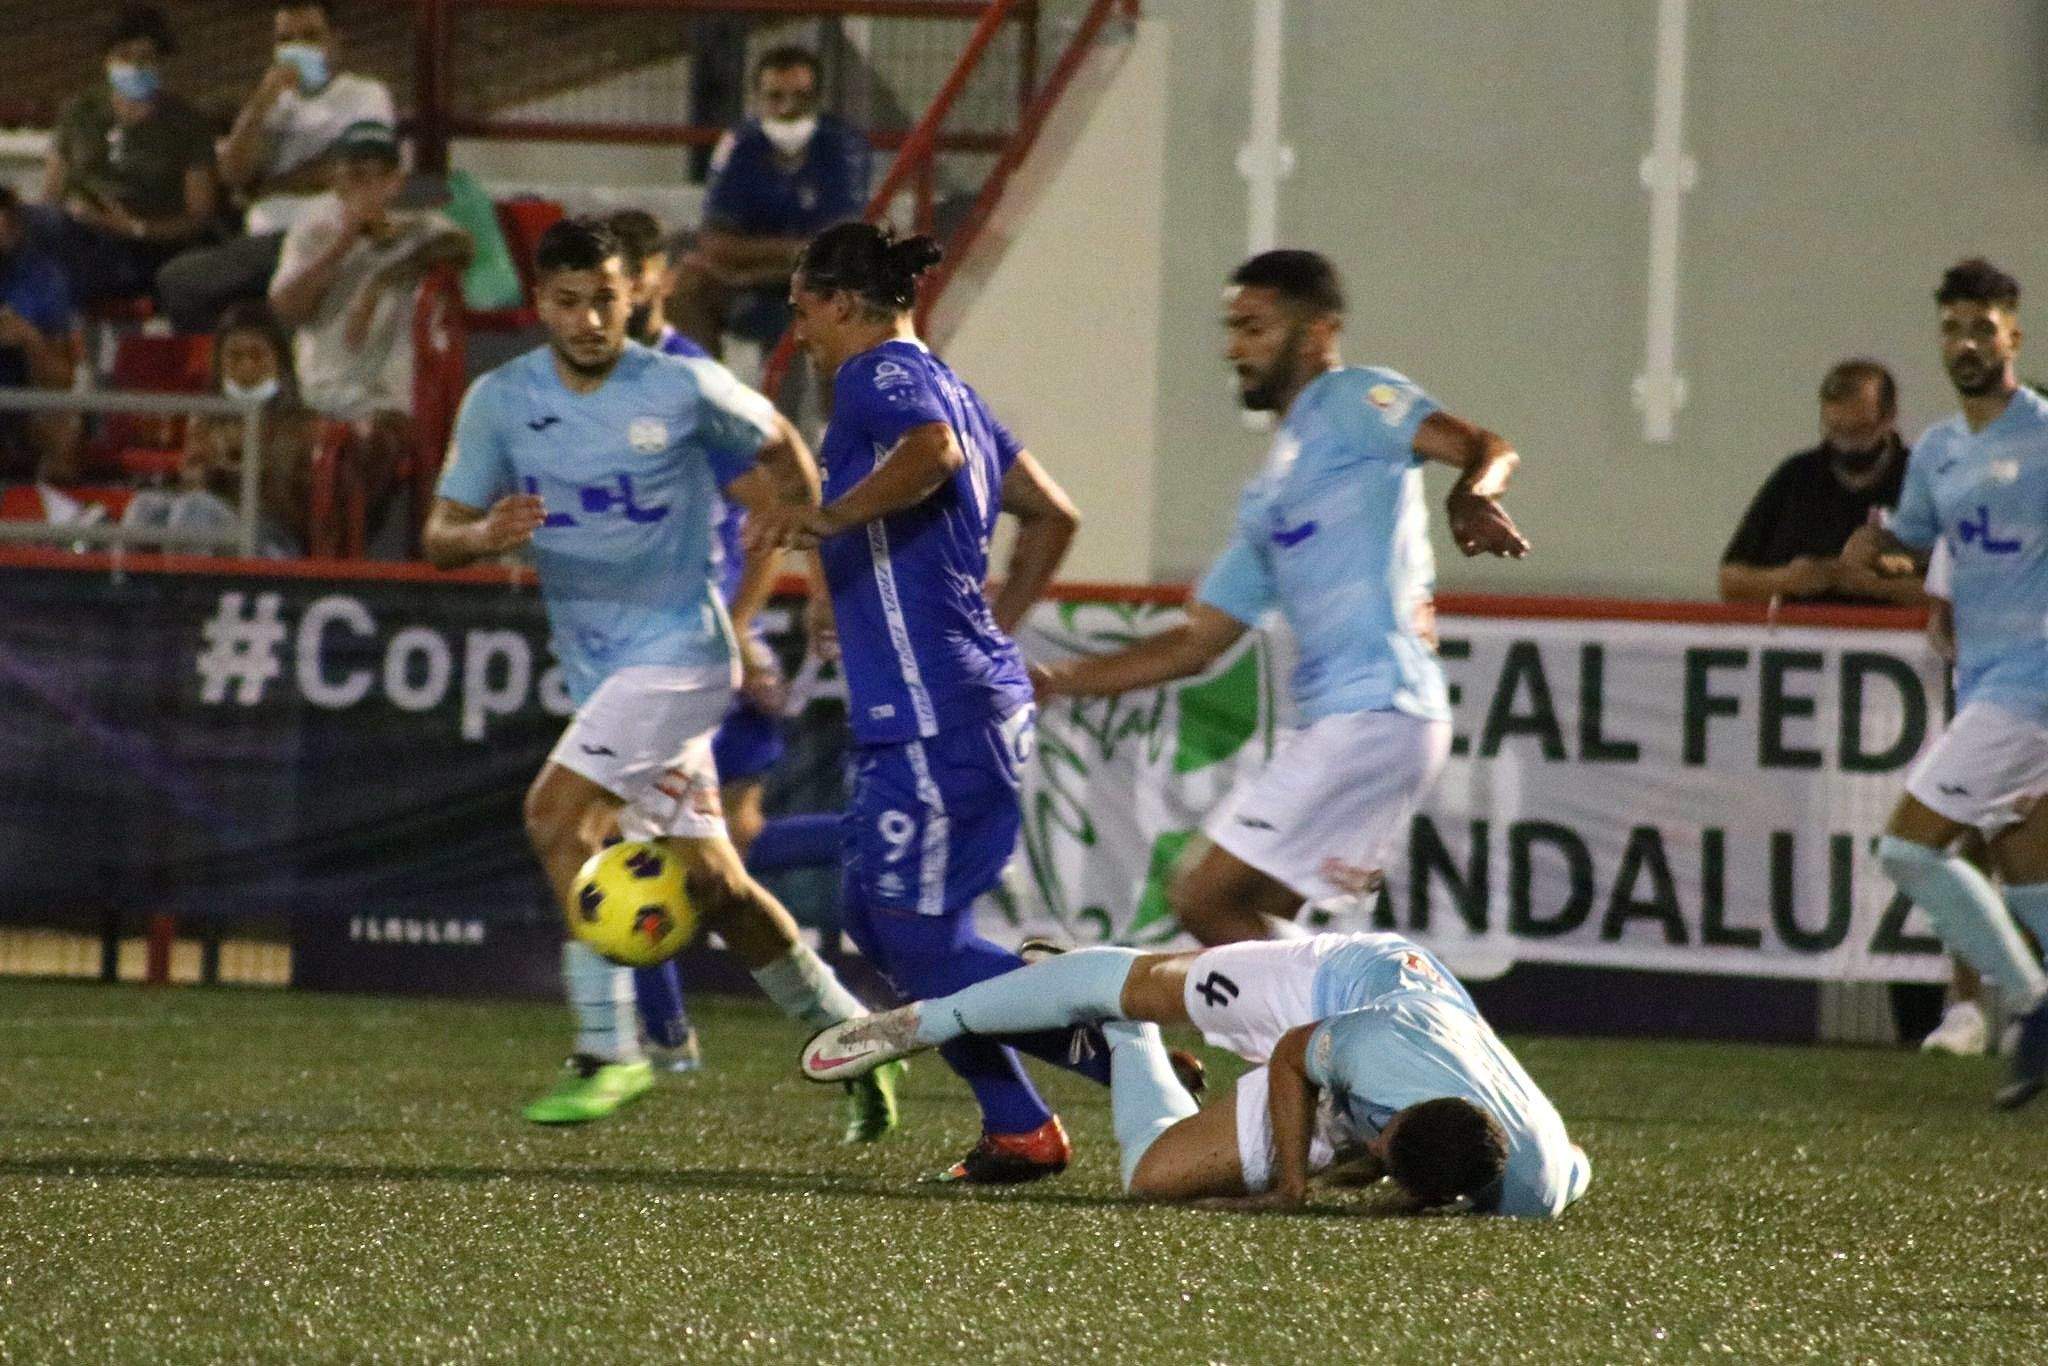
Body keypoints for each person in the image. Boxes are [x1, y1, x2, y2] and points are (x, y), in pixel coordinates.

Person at [422, 217, 899, 1138]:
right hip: (603, 674)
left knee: (557, 818)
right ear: (541, 305)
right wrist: (480, 538)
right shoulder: (501, 401)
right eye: (569, 301)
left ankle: (610, 1051)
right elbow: (441, 531)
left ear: (633, 293)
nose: (591, 318)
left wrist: (802, 530)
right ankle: (854, 1039)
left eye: (606, 298)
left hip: (683, 658)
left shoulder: (682, 386)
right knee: (715, 886)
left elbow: (779, 444)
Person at [1029, 249, 1528, 947]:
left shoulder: (1354, 401)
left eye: (1256, 328)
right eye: (1232, 329)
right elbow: (1198, 642)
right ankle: (1306, 1055)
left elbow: (1488, 447)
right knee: (1261, 924)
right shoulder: (1271, 491)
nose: (1235, 347)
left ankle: (1376, 1025)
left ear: (1319, 332)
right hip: (1370, 722)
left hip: (1372, 712)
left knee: (1204, 900)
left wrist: (1472, 495)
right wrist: (1056, 681)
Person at [750, 222, 1100, 1184]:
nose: (799, 329)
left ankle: (1122, 1051)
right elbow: (1053, 513)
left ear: (846, 304)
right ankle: (1020, 1126)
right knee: (878, 915)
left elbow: (933, 454)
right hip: (941, 701)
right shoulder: (957, 386)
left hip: (938, 713)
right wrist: (1001, 618)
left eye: (803, 308)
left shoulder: (881, 378)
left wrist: (830, 516)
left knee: (913, 935)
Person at [802, 932, 1590, 1218]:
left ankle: (1125, 1037)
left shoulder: (1535, 1184)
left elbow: (1573, 1167)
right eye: (1385, 1141)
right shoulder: (1380, 1049)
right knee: (1157, 983)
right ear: (1396, 1123)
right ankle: (935, 1018)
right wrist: (1289, 1186)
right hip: (1346, 984)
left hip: (1381, 1072)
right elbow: (1292, 1057)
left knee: (1152, 1178)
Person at [597, 206, 845, 1075]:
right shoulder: (610, 380)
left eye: (618, 283)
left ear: (652, 281)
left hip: (687, 651)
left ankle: (661, 1043)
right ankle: (880, 837)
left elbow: (773, 499)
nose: (602, 304)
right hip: (655, 644)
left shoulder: (685, 382)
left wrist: (735, 634)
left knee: (623, 843)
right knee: (719, 853)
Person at [1848, 257, 2048, 1108]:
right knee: (2029, 872)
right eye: (1952, 328)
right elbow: (1918, 545)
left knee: (1908, 846)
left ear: (2014, 334)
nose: (1965, 343)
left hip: (2034, 684)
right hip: (1985, 678)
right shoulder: (1936, 449)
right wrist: (1877, 551)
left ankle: (2034, 1003)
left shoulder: (2043, 436)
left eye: (1982, 327)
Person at [269, 120, 469, 534]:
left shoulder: (417, 226)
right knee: (285, 459)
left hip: (386, 402)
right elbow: (285, 307)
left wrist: (382, 279)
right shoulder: (314, 228)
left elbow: (461, 246)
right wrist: (343, 246)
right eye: (356, 173)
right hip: (317, 394)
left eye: (379, 174)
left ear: (395, 181)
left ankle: (347, 555)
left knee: (353, 461)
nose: (368, 185)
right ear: (335, 179)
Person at [158, 0, 396, 333]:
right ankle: (238, 367)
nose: (298, 48)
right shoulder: (272, 102)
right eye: (286, 40)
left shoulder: (365, 95)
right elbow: (231, 173)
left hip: (321, 236)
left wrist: (269, 185)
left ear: (336, 42)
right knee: (179, 281)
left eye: (311, 36)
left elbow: (348, 171)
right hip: (258, 242)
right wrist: (260, 103)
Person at [669, 46, 870, 359]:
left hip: (821, 286)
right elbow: (716, 244)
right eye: (776, 96)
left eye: (801, 97)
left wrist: (748, 267)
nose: (788, 107)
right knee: (684, 289)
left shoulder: (843, 145)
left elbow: (838, 252)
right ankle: (708, 397)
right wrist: (791, 253)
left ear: (818, 99)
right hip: (750, 285)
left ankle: (840, 406)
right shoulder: (739, 145)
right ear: (757, 99)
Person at [30, 5, 219, 307]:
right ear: (107, 61)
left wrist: (132, 227)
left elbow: (199, 216)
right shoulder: (81, 112)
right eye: (123, 56)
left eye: (144, 58)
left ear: (160, 62)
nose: (134, 66)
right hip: (81, 236)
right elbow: (51, 194)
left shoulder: (186, 123)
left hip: (145, 248)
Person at [1719, 359, 1923, 606]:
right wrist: (1790, 580)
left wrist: (1875, 584)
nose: (1846, 444)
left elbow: (1960, 594)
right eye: (1835, 429)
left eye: (1859, 430)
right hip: (1804, 637)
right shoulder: (1796, 477)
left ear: (1888, 417)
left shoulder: (1923, 480)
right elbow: (1730, 582)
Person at [122, 301, 317, 556]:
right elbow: (191, 484)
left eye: (257, 355)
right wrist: (201, 475)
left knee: (196, 510)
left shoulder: (303, 424)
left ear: (280, 362)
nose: (246, 368)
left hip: (273, 536)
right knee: (145, 507)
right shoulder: (206, 420)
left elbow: (299, 510)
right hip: (213, 518)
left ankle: (191, 594)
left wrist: (248, 466)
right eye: (235, 357)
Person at [1916, 536, 1995, 1056]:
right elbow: (1940, 622)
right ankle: (1967, 1005)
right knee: (1974, 842)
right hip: (1997, 701)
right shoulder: (1967, 495)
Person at [0, 187, 78, 483]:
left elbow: (62, 379)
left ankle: (53, 516)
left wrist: (29, 338)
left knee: (62, 429)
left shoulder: (42, 277)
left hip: (19, 402)